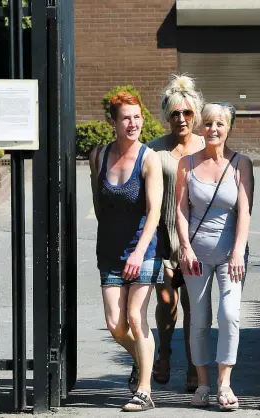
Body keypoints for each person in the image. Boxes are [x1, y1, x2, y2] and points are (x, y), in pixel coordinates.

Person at [175, 102, 254, 410]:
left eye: (219, 124)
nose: (213, 129)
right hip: (196, 254)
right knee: (199, 319)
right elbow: (181, 209)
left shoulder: (241, 163)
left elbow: (245, 210)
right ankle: (203, 383)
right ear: (201, 127)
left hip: (230, 256)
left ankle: (225, 383)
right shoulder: (187, 165)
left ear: (228, 128)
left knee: (230, 314)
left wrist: (238, 251)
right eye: (208, 124)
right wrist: (185, 247)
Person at [89, 91, 164, 412]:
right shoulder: (99, 156)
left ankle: (144, 390)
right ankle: (143, 358)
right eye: (125, 118)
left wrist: (139, 252)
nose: (132, 123)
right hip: (109, 249)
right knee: (115, 324)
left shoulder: (149, 159)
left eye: (137, 117)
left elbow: (155, 211)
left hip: (142, 250)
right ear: (113, 122)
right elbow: (98, 201)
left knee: (135, 317)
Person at [147, 74, 204, 391]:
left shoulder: (208, 148)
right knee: (166, 304)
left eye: (187, 113)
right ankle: (164, 354)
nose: (181, 119)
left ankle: (194, 366)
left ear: (196, 114)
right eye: (174, 114)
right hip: (163, 242)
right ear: (166, 116)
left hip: (199, 244)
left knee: (194, 308)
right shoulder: (153, 151)